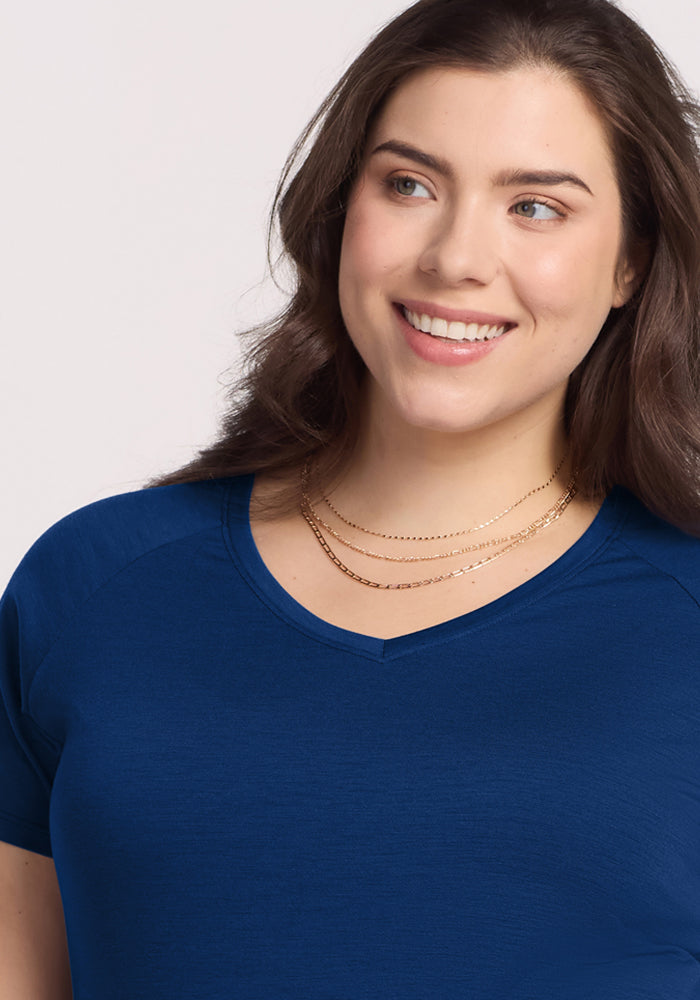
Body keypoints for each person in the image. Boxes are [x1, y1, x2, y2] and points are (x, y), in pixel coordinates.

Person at [2, 0, 699, 995]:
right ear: (342, 210)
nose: (456, 256)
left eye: (535, 204)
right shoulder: (93, 591)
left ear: (630, 259)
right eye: (409, 184)